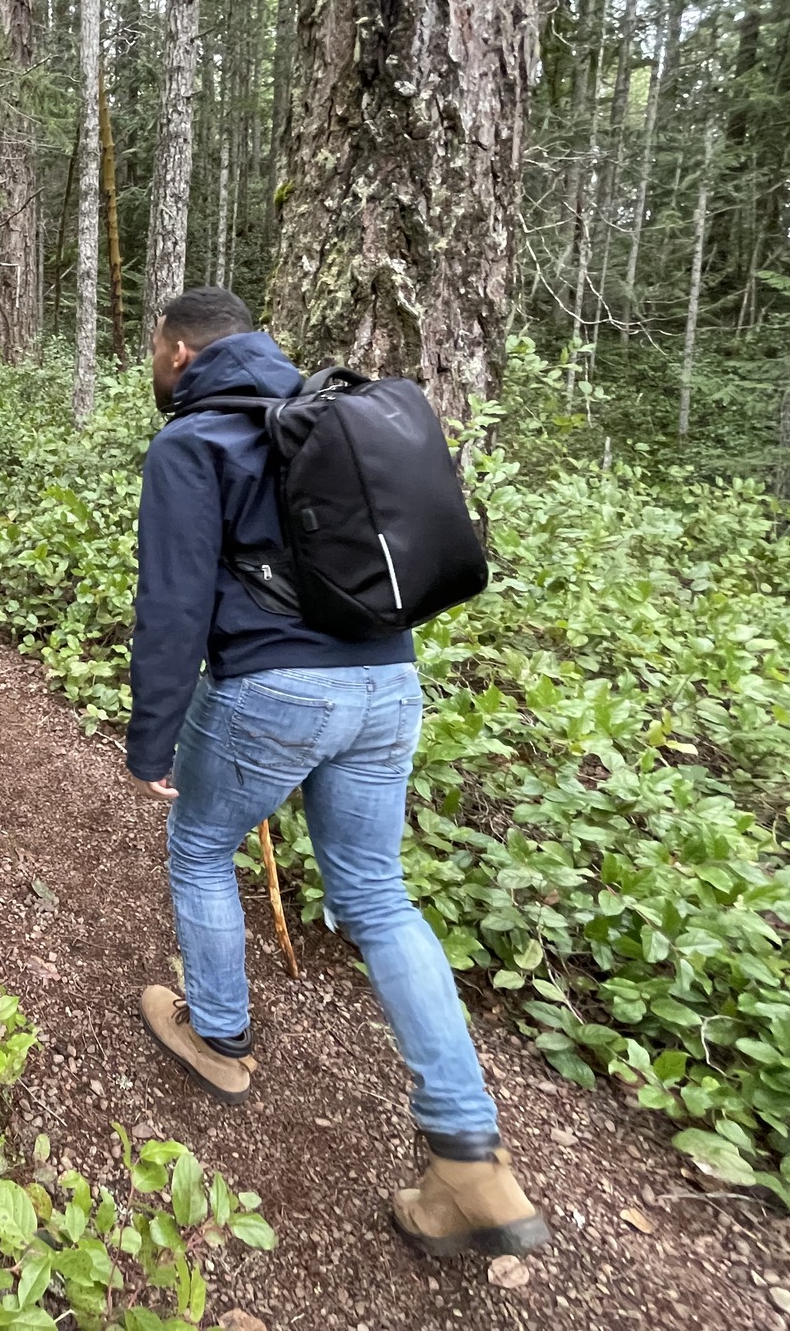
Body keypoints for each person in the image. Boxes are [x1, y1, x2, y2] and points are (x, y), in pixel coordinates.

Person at [127, 286, 549, 1260]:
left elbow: (171, 606)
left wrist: (151, 743)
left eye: (154, 352)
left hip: (274, 696)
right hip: (389, 689)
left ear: (180, 352)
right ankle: (468, 1161)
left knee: (196, 844)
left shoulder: (192, 445)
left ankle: (219, 1039)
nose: (153, 367)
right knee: (377, 896)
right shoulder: (327, 420)